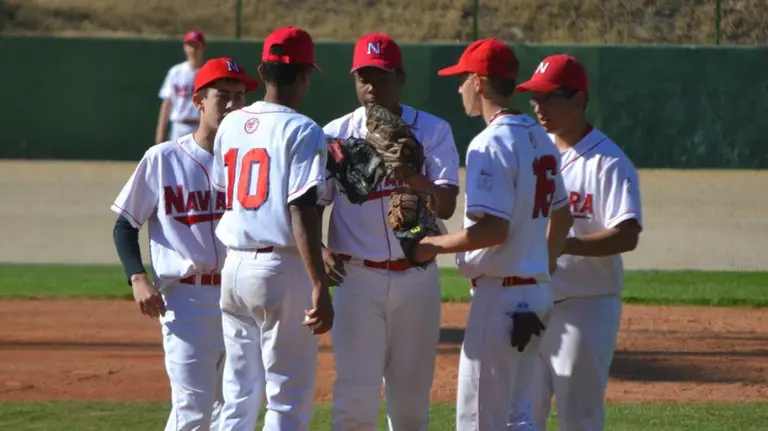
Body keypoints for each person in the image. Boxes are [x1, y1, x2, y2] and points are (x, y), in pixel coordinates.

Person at [413, 38, 573, 430]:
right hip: (535, 292)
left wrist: (431, 245)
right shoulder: (540, 138)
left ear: (479, 82)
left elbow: (493, 229)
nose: (459, 88)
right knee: (519, 417)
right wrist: (540, 269)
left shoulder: (490, 141)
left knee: (479, 420)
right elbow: (563, 216)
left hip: (501, 299)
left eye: (463, 79)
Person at [318, 32, 461, 431]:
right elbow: (311, 205)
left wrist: (413, 178)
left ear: (399, 77)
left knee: (412, 401)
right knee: (354, 398)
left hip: (416, 278)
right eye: (362, 76)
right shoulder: (334, 135)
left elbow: (446, 205)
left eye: (379, 76)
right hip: (356, 279)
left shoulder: (432, 130)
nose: (370, 85)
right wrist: (318, 247)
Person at [111, 57, 259, 431]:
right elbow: (125, 225)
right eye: (222, 96)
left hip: (240, 294)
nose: (231, 105)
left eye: (239, 97)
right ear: (198, 101)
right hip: (186, 300)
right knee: (193, 408)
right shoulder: (163, 159)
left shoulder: (251, 161)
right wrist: (137, 278)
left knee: (237, 406)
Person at [211, 26, 334, 431]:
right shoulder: (303, 129)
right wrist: (319, 282)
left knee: (238, 395)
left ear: (263, 73)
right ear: (304, 76)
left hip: (233, 269)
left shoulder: (229, 124)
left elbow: (223, 190)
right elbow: (301, 208)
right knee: (287, 398)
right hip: (279, 272)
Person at [512, 53, 643, 431]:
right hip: (532, 300)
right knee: (520, 413)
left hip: (586, 305)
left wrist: (561, 245)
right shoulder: (535, 150)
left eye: (550, 97)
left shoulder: (608, 162)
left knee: (579, 416)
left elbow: (627, 234)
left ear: (579, 100)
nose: (539, 106)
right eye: (534, 98)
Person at [156, 29, 207, 144]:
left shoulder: (208, 71)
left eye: (196, 46)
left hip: (201, 126)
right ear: (185, 47)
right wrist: (160, 132)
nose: (193, 49)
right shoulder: (176, 71)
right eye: (190, 45)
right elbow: (167, 103)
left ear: (203, 47)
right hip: (179, 125)